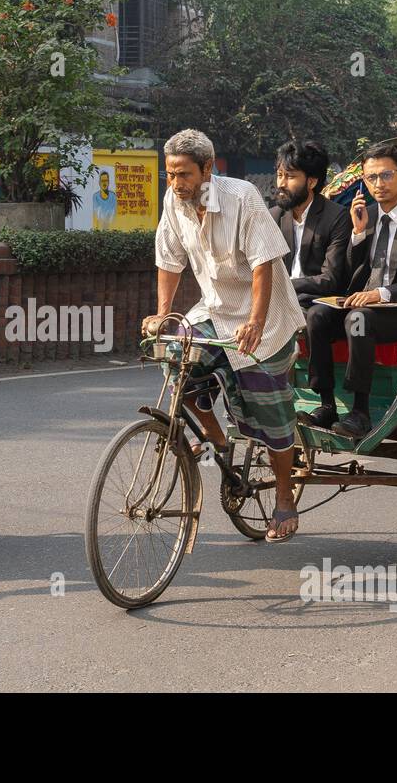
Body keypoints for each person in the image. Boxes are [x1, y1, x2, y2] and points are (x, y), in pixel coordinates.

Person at [145, 128, 306, 542]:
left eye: (183, 174)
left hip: (265, 319)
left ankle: (285, 497)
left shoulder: (242, 197)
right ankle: (217, 437)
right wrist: (163, 315)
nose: (176, 183)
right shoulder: (174, 202)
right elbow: (169, 259)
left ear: (207, 170)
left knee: (270, 411)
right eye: (170, 174)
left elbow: (263, 264)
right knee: (175, 356)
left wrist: (254, 321)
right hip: (214, 311)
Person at [301, 142, 397, 438]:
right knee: (316, 316)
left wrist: (381, 294)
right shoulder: (366, 216)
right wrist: (358, 233)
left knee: (359, 319)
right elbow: (349, 273)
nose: (379, 184)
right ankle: (326, 404)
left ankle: (360, 412)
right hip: (360, 305)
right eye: (371, 178)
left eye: (386, 175)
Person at [268, 139, 351, 307]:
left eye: (290, 176)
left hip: (317, 302)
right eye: (279, 175)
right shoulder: (273, 216)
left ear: (311, 182)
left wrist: (285, 285)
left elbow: (330, 279)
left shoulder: (337, 216)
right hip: (278, 300)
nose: (281, 184)